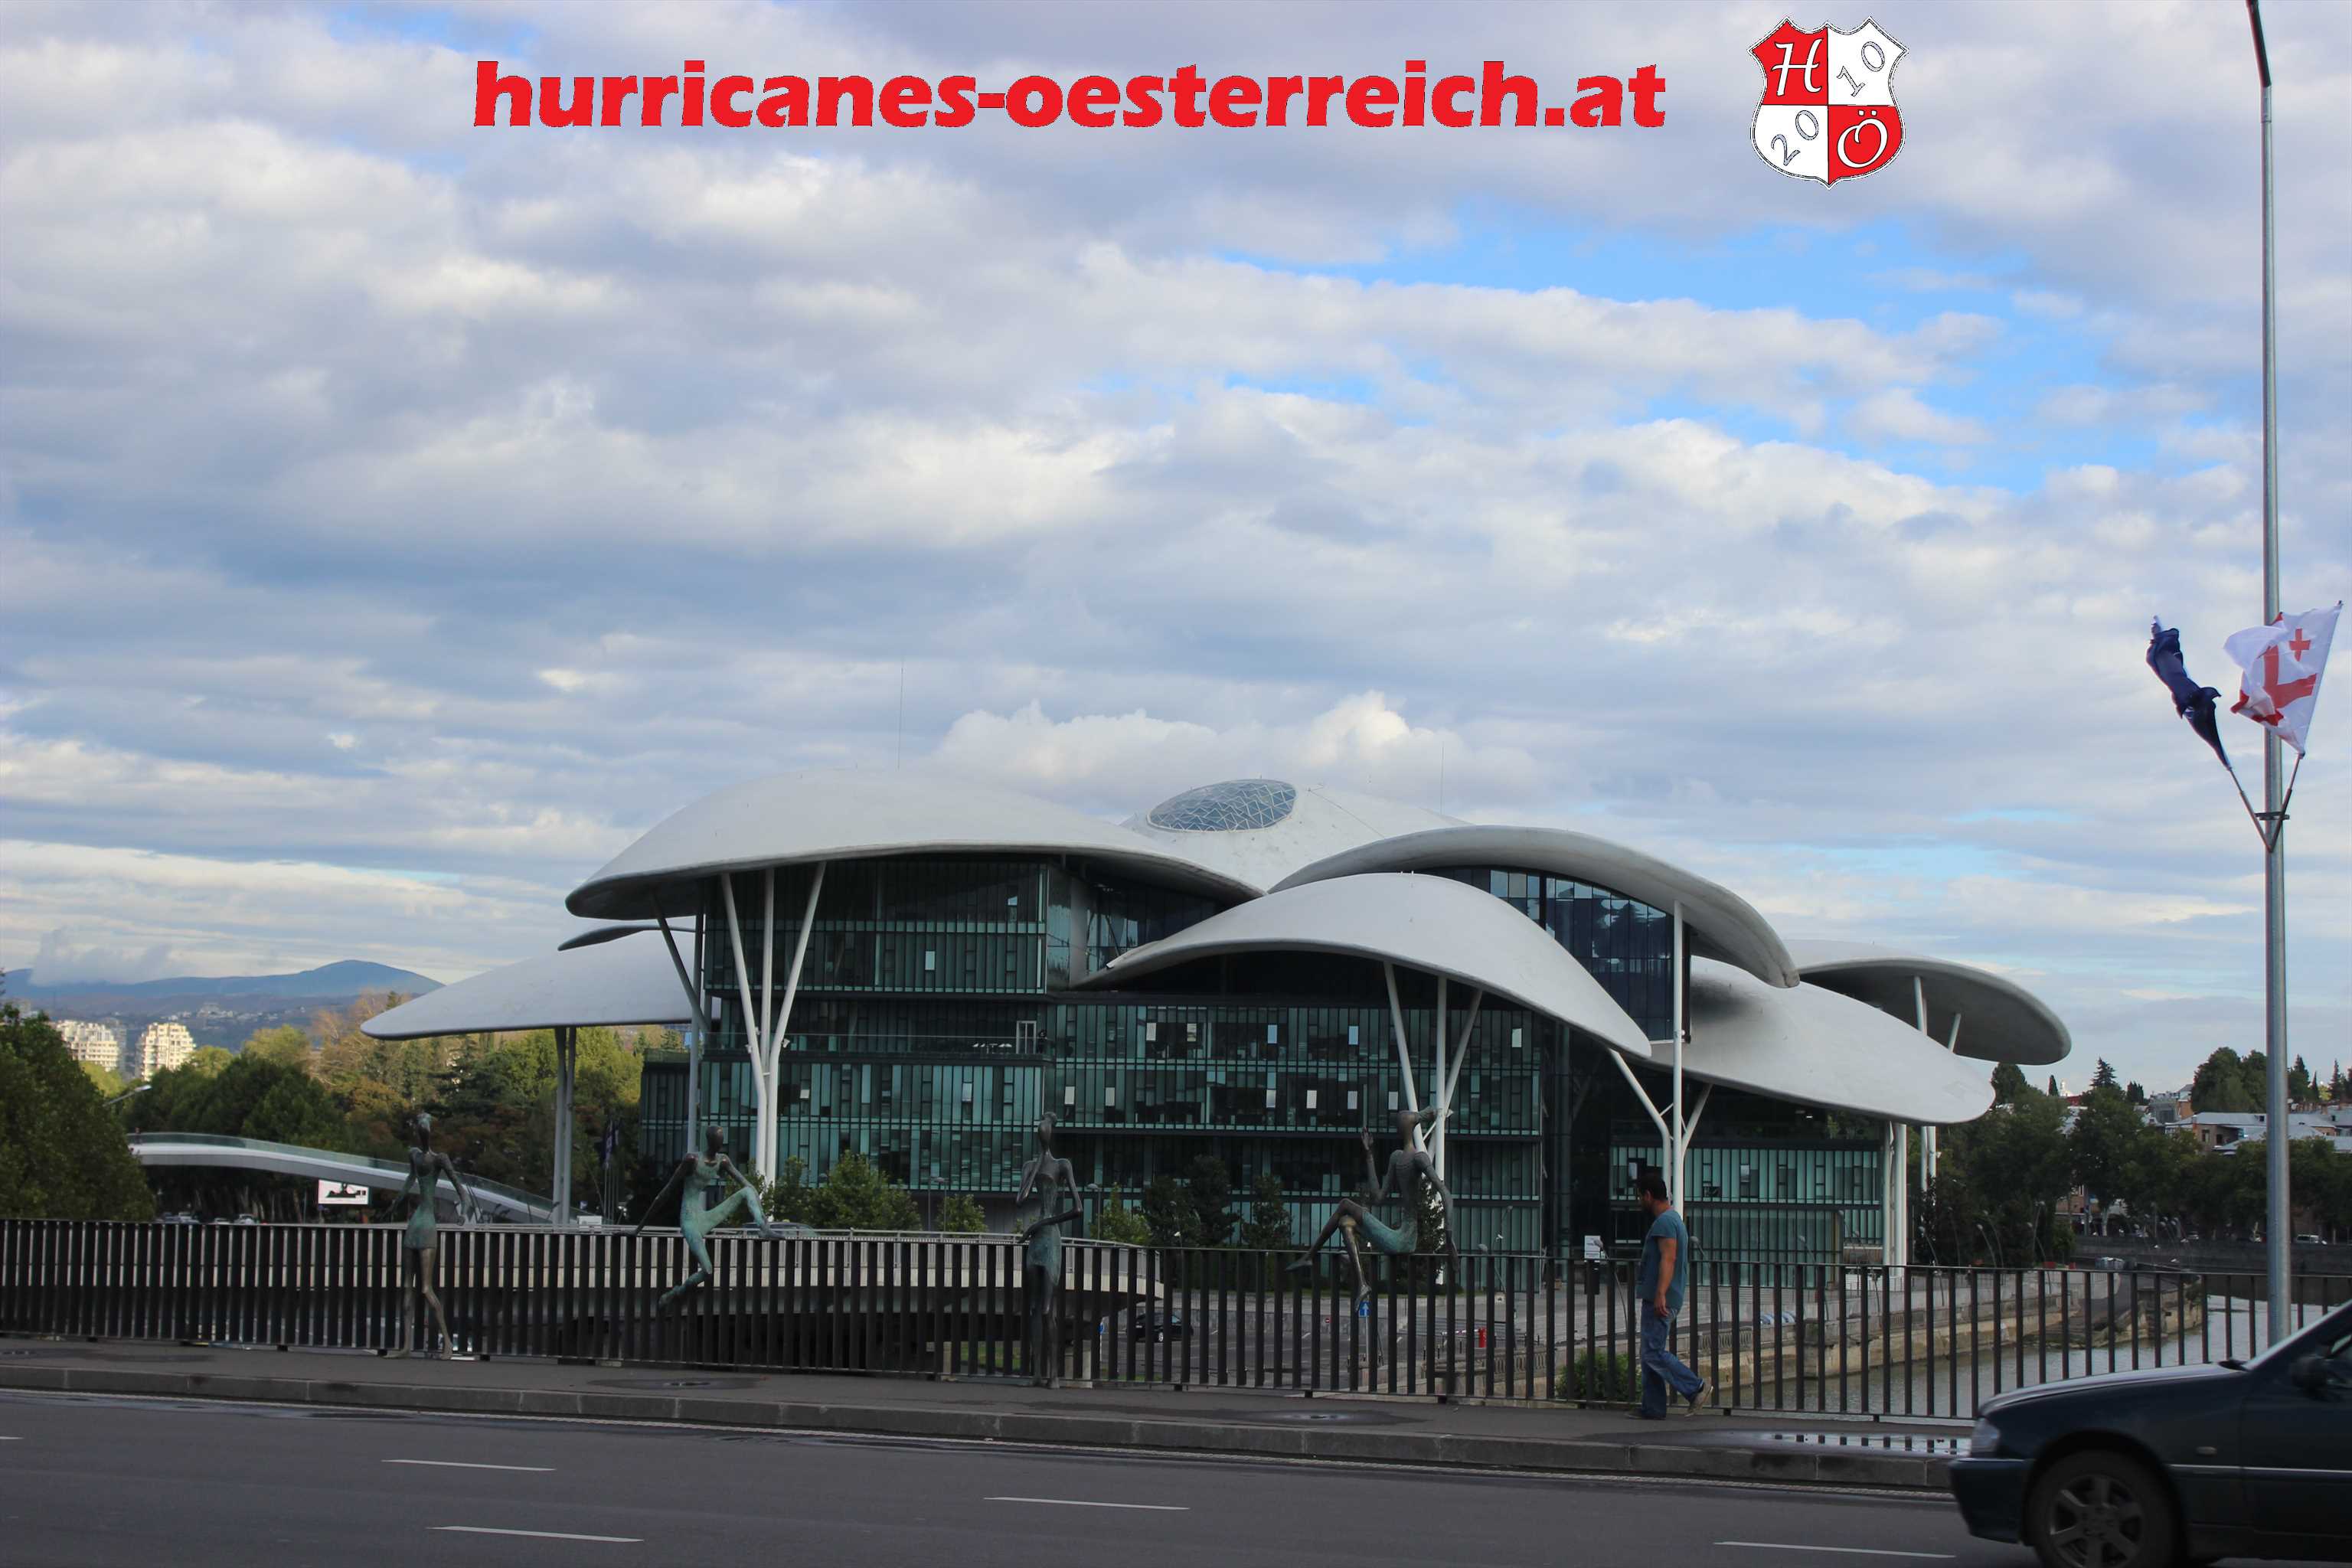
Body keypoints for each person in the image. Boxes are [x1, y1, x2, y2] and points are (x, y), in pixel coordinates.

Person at [636, 1125, 776, 1311]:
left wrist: (761, 1212)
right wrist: (637, 1230)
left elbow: (747, 1185)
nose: (720, 1144)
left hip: (705, 1217)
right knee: (708, 1270)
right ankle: (675, 1294)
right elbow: (665, 1193)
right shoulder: (692, 1160)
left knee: (748, 1191)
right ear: (710, 1141)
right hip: (689, 1220)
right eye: (718, 1140)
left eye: (721, 1140)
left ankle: (764, 1229)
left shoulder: (722, 1160)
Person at [389, 1112, 472, 1359]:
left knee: (423, 1288)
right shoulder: (415, 1155)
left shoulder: (438, 1159)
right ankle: (406, 1346)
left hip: (424, 1225)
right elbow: (409, 1182)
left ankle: (446, 1342)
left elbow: (462, 1192)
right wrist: (395, 1204)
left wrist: (463, 1213)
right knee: (410, 1287)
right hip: (418, 1224)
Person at [1632, 1168, 1709, 1419]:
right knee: (1649, 1353)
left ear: (1648, 1195)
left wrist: (1661, 1294)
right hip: (1662, 1295)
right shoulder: (1674, 1219)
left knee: (1653, 1352)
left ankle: (1696, 1387)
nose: (1639, 1201)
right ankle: (1653, 1408)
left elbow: (1669, 1258)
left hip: (1661, 1297)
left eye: (1639, 1196)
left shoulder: (1665, 1222)